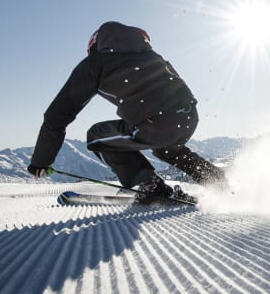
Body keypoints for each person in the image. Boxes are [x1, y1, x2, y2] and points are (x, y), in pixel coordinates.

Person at [28, 21, 227, 203]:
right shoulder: (151, 55)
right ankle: (217, 181)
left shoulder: (95, 63)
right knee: (167, 150)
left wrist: (41, 161)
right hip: (188, 117)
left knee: (96, 137)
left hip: (154, 123)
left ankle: (152, 186)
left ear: (94, 45)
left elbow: (57, 115)